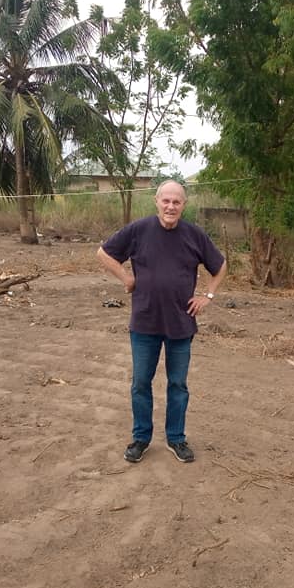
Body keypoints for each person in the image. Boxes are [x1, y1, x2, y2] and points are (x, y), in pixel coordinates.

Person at [97, 180, 227, 464]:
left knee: (177, 384)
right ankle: (141, 438)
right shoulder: (139, 230)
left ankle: (176, 439)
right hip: (144, 322)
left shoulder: (195, 235)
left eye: (176, 202)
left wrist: (207, 295)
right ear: (156, 201)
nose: (171, 206)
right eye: (166, 201)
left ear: (184, 205)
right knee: (141, 383)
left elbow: (220, 266)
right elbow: (103, 253)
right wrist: (127, 278)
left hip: (182, 324)